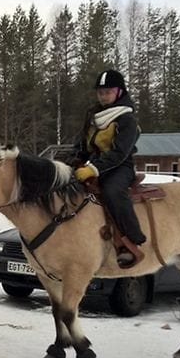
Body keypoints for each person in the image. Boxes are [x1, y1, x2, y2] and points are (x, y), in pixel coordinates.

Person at [73, 69, 146, 268]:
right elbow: (81, 142)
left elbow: (120, 151)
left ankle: (130, 240)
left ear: (119, 92)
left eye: (108, 92)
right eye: (101, 92)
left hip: (119, 166)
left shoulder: (126, 118)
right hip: (92, 163)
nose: (103, 96)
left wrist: (94, 169)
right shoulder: (93, 114)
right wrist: (74, 161)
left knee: (112, 192)